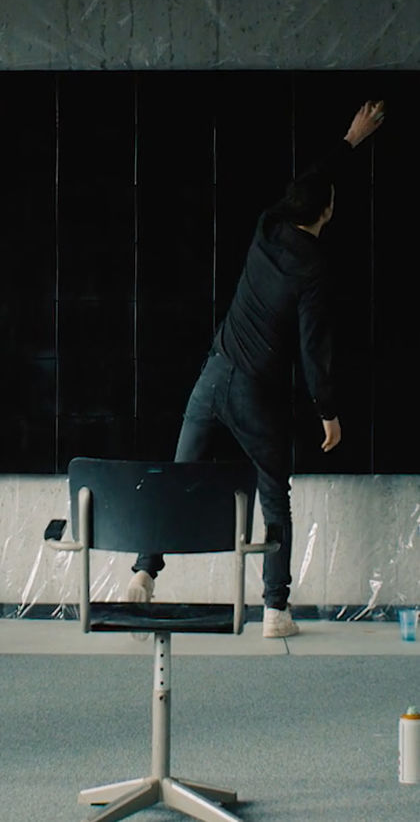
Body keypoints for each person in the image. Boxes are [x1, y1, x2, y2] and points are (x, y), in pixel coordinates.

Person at [126, 100, 385, 638]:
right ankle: (275, 611)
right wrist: (328, 412)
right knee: (274, 495)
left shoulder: (267, 226)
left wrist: (350, 139)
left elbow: (313, 177)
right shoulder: (314, 270)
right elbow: (314, 350)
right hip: (255, 392)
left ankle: (144, 573)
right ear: (327, 214)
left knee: (178, 475)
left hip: (212, 376)